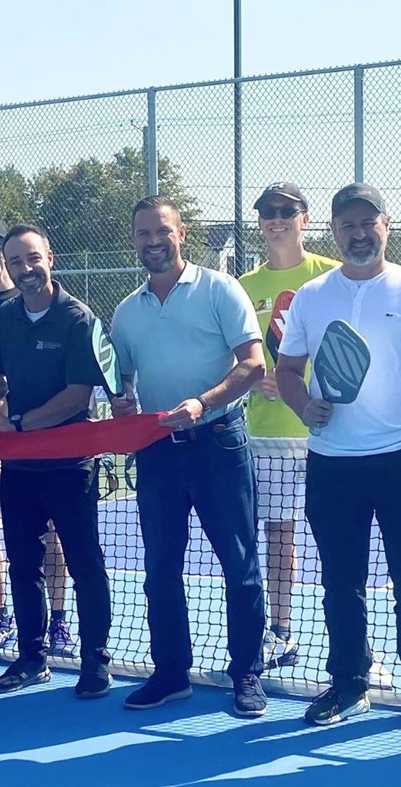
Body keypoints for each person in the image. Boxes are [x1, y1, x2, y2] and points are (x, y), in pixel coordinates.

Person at [276, 183, 401, 733]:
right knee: (340, 580)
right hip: (332, 463)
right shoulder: (311, 296)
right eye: (348, 225)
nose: (359, 233)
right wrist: (304, 404)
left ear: (386, 225)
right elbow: (287, 371)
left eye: (368, 222)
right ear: (333, 231)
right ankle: (349, 682)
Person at [109, 195, 269, 718]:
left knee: (240, 566)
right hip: (157, 455)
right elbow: (123, 377)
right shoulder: (127, 312)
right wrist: (122, 400)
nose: (153, 242)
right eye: (142, 234)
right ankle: (171, 673)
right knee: (160, 569)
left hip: (220, 446)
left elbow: (252, 365)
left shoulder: (221, 289)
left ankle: (245, 673)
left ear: (181, 234)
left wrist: (202, 404)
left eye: (162, 231)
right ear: (133, 241)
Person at [0, 224, 114, 697]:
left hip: (70, 466)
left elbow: (77, 396)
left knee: (84, 562)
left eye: (32, 259)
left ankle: (96, 661)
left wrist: (18, 424)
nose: (25, 269)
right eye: (16, 262)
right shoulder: (8, 316)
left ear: (49, 258)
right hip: (20, 468)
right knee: (22, 563)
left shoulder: (78, 318)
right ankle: (31, 658)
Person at [236, 181, 339, 671]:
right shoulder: (243, 286)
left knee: (341, 535)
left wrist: (305, 387)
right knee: (278, 535)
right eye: (267, 212)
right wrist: (257, 382)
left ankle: (350, 636)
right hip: (269, 437)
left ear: (305, 217)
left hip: (333, 434)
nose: (276, 219)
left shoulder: (333, 276)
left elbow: (350, 349)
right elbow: (232, 360)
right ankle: (281, 630)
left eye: (286, 210)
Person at [0, 218, 75, 658]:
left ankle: (59, 621)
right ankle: (0, 616)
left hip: (39, 444)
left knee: (50, 534)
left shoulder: (37, 300)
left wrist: (20, 426)